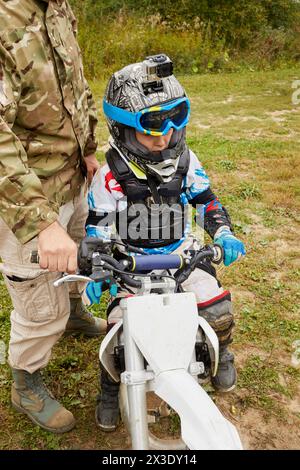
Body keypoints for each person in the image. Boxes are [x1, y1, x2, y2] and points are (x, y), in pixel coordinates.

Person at [83, 54, 246, 431]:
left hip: (183, 256)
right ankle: (109, 386)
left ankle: (222, 352)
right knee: (116, 330)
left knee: (217, 309)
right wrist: (99, 267)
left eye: (174, 125)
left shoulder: (187, 160)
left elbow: (206, 200)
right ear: (123, 130)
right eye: (151, 130)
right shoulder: (109, 177)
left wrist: (222, 232)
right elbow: (98, 226)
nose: (164, 138)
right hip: (132, 265)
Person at [0, 0, 106, 434]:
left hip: (71, 175)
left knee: (81, 253)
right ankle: (25, 380)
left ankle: (77, 312)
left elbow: (74, 82)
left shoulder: (58, 5)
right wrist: (43, 224)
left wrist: (88, 148)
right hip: (25, 197)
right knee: (39, 306)